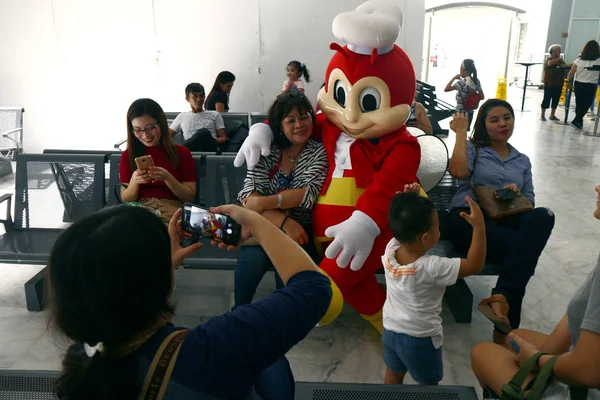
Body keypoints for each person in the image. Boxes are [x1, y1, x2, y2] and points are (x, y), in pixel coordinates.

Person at [47, 205, 332, 400]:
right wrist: (257, 222)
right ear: (161, 281)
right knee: (272, 364)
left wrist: (160, 272)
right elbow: (313, 287)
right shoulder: (215, 348)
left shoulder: (84, 361)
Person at [471, 184, 600, 399]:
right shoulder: (476, 156)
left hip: (585, 387)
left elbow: (587, 371)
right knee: (516, 337)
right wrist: (539, 357)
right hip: (485, 220)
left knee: (482, 352)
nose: (597, 187)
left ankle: (502, 294)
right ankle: (503, 295)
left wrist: (535, 359)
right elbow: (577, 310)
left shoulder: (520, 160)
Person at [447, 101, 555, 344]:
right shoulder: (473, 149)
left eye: (507, 117)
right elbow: (459, 172)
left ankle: (501, 298)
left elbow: (529, 200)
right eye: (494, 119)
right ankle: (505, 330)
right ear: (484, 126)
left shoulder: (522, 160)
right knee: (523, 253)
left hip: (505, 218)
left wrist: (515, 192)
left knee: (543, 216)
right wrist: (461, 134)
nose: (503, 123)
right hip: (468, 218)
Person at [234, 91, 328, 309]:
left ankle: (283, 318)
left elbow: (307, 194)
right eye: (291, 120)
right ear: (279, 125)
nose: (299, 125)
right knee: (251, 263)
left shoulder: (318, 152)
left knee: (287, 276)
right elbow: (250, 195)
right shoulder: (267, 149)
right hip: (269, 226)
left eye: (304, 117)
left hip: (301, 230)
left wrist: (264, 203)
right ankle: (238, 312)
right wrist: (286, 222)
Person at [382, 187, 486, 385]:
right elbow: (474, 264)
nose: (440, 229)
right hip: (420, 339)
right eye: (437, 226)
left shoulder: (391, 249)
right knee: (429, 386)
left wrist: (411, 198)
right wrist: (479, 227)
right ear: (425, 238)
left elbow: (404, 221)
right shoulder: (433, 267)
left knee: (393, 374)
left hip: (390, 329)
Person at [120, 98, 196, 225]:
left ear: (161, 123)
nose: (146, 135)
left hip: (171, 210)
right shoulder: (128, 156)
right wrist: (135, 180)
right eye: (138, 130)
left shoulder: (182, 153)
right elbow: (126, 200)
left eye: (151, 127)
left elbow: (189, 197)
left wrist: (167, 178)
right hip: (139, 210)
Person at [168, 83, 227, 152]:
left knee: (204, 133)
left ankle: (181, 150)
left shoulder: (214, 114)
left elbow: (223, 138)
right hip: (191, 153)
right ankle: (182, 150)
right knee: (202, 134)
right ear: (187, 99)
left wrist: (209, 139)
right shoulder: (182, 116)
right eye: (195, 96)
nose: (199, 99)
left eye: (201, 96)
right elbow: (167, 136)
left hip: (209, 149)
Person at [567, 40, 600, 130]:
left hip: (578, 84)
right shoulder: (598, 60)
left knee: (579, 103)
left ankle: (579, 122)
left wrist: (568, 82)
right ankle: (576, 120)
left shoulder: (579, 59)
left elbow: (571, 72)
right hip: (591, 85)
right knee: (586, 104)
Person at [444, 59, 485, 130]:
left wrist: (454, 78)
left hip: (460, 113)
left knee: (459, 133)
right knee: (464, 132)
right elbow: (482, 97)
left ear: (464, 70)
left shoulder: (462, 83)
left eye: (460, 69)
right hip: (470, 113)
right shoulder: (476, 81)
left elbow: (446, 89)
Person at [541, 44, 566, 121]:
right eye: (556, 51)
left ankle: (552, 115)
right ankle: (542, 115)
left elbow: (564, 67)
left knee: (556, 99)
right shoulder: (549, 60)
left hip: (558, 83)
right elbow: (549, 63)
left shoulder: (560, 61)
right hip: (549, 83)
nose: (558, 52)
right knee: (546, 99)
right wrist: (558, 60)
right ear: (552, 52)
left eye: (559, 51)